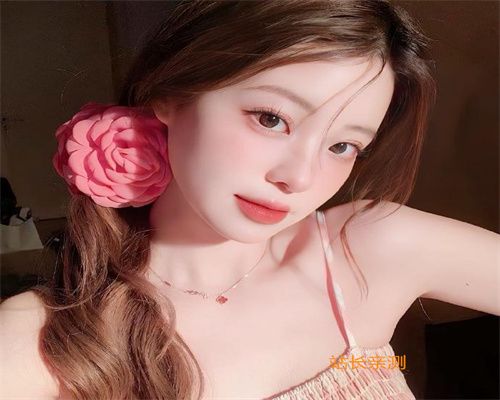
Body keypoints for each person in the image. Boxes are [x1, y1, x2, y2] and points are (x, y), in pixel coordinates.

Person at [1, 1, 498, 399]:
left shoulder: (369, 249)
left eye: (342, 146)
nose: (299, 177)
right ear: (171, 93)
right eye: (271, 119)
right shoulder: (42, 341)